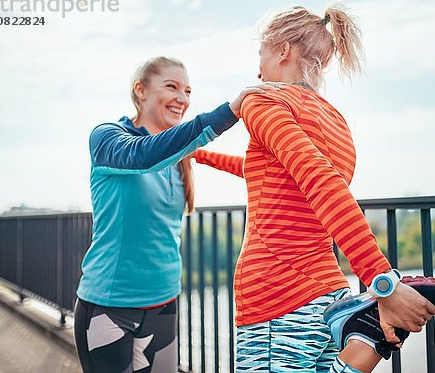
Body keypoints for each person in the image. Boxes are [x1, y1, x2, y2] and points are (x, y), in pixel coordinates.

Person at [193, 4, 435, 372]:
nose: (257, 69)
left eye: (261, 54)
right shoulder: (335, 120)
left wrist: (383, 282)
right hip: (327, 293)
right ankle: (368, 336)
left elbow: (321, 183)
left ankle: (371, 329)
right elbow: (271, 175)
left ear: (282, 50)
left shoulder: (261, 98)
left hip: (275, 293)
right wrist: (198, 156)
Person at [73, 56, 281, 373]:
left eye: (187, 91)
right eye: (171, 87)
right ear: (140, 91)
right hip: (109, 307)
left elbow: (245, 167)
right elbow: (143, 155)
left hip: (163, 303)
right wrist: (230, 111)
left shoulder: (181, 156)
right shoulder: (108, 138)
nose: (182, 99)